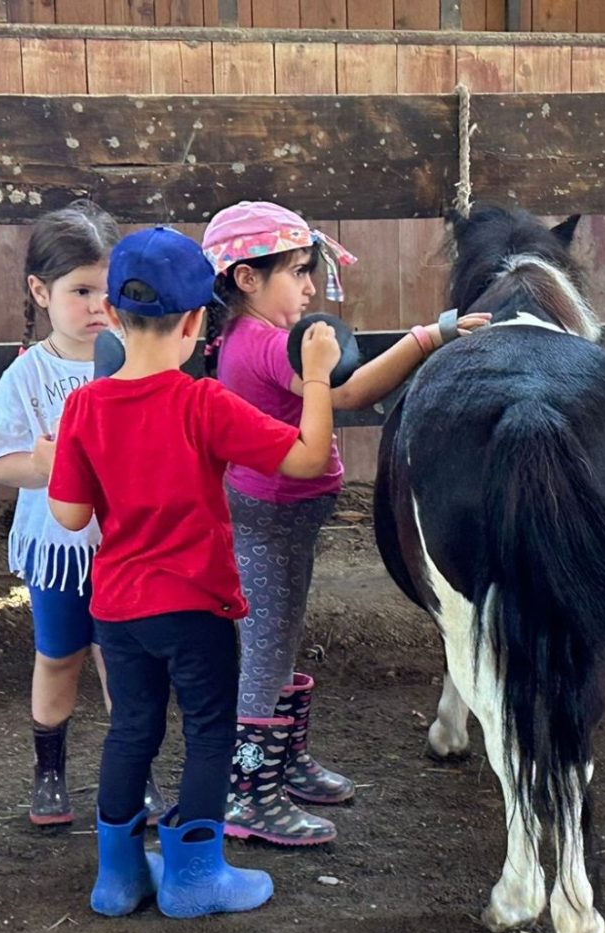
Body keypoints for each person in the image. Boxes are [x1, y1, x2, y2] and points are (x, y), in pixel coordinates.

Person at [47, 226, 341, 918]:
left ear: (113, 316)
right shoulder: (201, 404)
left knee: (132, 731)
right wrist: (320, 373)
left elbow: (66, 515)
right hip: (196, 606)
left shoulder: (83, 407)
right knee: (210, 730)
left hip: (117, 608)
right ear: (196, 320)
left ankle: (118, 877)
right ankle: (194, 877)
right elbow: (304, 459)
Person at [200, 201, 489, 846]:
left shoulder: (252, 341)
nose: (310, 287)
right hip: (272, 517)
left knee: (280, 635)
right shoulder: (269, 346)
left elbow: (347, 390)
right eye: (299, 272)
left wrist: (431, 334)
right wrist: (427, 337)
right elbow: (349, 394)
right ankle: (247, 794)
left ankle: (283, 760)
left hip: (281, 519)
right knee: (267, 649)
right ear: (247, 279)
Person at [0, 201, 166, 828]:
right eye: (79, 290)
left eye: (105, 290)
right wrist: (51, 466)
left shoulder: (137, 365)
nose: (95, 306)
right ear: (41, 291)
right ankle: (50, 771)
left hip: (129, 548)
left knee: (127, 662)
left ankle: (133, 774)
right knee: (59, 655)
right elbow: (0, 462)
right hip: (60, 550)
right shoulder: (27, 377)